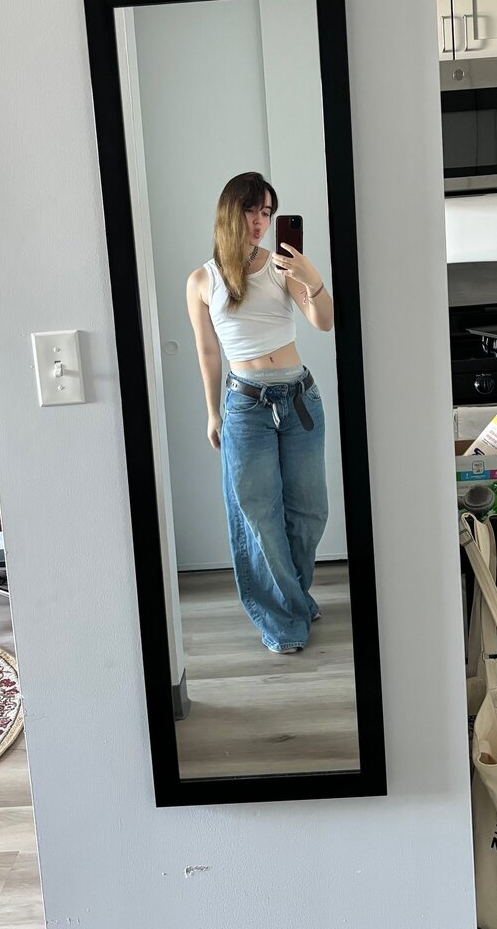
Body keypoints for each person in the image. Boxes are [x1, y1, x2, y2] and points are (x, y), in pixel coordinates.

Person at [186, 171, 334, 653]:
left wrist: (312, 280)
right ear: (231, 211)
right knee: (258, 514)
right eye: (252, 209)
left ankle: (293, 598)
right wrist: (212, 412)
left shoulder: (282, 267)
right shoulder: (202, 280)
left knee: (310, 511)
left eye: (268, 212)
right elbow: (208, 352)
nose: (260, 221)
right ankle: (285, 618)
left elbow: (324, 322)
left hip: (299, 399)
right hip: (245, 406)